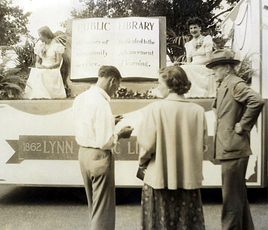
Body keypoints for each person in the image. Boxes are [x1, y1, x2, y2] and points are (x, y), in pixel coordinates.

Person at [136, 66, 208, 230]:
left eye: (159, 82)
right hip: (188, 179)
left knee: (159, 223)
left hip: (159, 178)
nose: (158, 86)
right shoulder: (198, 111)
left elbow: (147, 145)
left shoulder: (155, 109)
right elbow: (202, 145)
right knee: (186, 223)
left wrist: (142, 162)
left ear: (170, 85)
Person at [205, 49, 264, 230]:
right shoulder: (225, 84)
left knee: (231, 199)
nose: (213, 72)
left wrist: (243, 125)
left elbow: (257, 100)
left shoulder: (234, 83)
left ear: (228, 68)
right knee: (237, 195)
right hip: (231, 147)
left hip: (234, 148)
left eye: (216, 68)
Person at [73, 65, 134, 230]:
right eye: (117, 86)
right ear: (112, 81)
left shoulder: (81, 98)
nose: (116, 90)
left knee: (94, 206)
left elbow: (86, 125)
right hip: (99, 156)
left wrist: (109, 121)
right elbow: (105, 141)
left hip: (84, 155)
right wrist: (121, 134)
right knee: (103, 210)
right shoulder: (101, 103)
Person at [25, 26, 66, 99]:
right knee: (34, 71)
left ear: (45, 35)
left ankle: (42, 95)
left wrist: (47, 67)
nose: (39, 37)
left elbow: (58, 63)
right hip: (43, 67)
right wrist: (38, 66)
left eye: (40, 35)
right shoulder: (39, 46)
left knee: (40, 72)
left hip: (52, 68)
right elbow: (37, 61)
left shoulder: (57, 46)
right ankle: (36, 94)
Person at [178, 17, 216, 97]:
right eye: (191, 28)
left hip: (204, 66)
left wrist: (193, 64)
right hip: (193, 66)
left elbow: (209, 58)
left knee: (186, 68)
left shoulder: (207, 39)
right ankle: (188, 94)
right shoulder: (188, 44)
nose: (193, 30)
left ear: (200, 28)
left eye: (195, 27)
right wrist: (180, 63)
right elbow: (189, 63)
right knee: (182, 68)